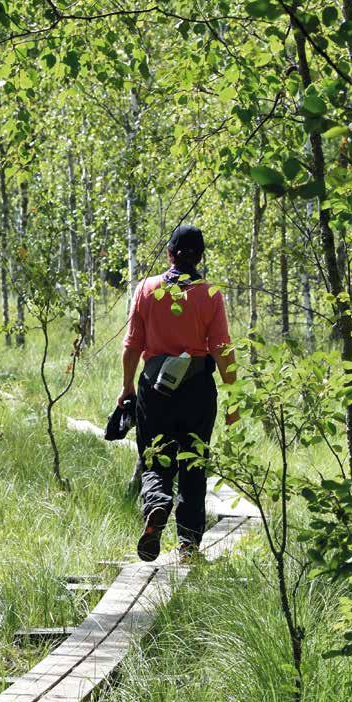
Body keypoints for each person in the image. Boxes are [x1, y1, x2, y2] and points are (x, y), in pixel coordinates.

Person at [118, 224, 238, 562]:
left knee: (154, 457)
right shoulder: (210, 295)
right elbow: (222, 349)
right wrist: (233, 397)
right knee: (193, 464)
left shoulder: (146, 289)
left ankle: (156, 504)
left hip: (154, 390)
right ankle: (188, 545)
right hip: (197, 390)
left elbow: (131, 347)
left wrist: (127, 386)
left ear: (169, 253)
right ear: (200, 256)